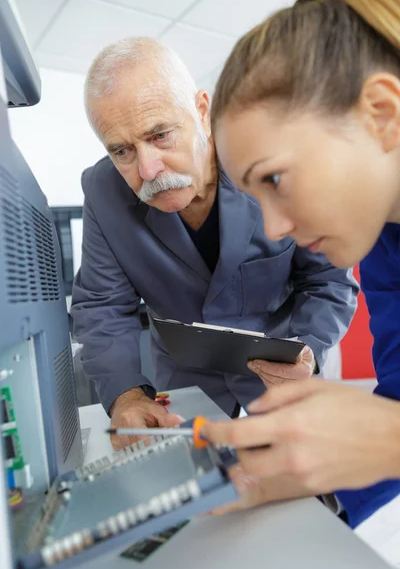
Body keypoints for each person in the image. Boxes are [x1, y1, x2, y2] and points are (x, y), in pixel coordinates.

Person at [71, 37, 357, 450]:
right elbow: (102, 306)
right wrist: (125, 393)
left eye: (161, 135)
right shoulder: (102, 191)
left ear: (202, 112)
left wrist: (307, 351)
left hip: (281, 374)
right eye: (122, 150)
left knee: (301, 499)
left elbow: (329, 281)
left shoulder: (274, 164)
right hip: (183, 386)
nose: (148, 169)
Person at [203, 0, 400, 545]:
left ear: (382, 115)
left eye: (276, 179)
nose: (273, 227)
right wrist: (309, 483)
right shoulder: (384, 241)